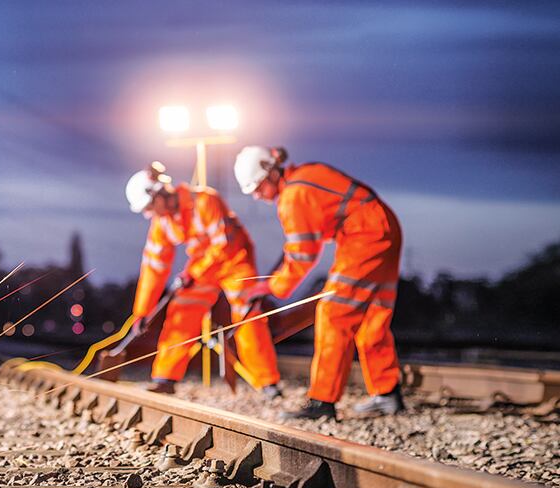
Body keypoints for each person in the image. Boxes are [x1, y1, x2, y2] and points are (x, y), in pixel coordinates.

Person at [234, 146, 404, 419]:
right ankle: (387, 393)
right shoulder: (303, 177)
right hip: (382, 226)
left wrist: (271, 287)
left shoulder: (293, 195)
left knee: (333, 312)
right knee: (373, 314)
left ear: (270, 173)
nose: (256, 195)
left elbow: (302, 255)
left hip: (364, 235)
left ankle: (322, 401)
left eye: (257, 187)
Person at [125, 162, 281, 396]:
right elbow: (153, 267)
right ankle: (165, 378)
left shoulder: (205, 200)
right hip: (202, 266)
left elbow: (223, 244)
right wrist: (142, 312)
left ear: (160, 194)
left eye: (149, 207)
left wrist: (193, 273)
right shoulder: (162, 223)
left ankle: (268, 382)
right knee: (181, 310)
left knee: (247, 314)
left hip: (234, 259)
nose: (149, 214)